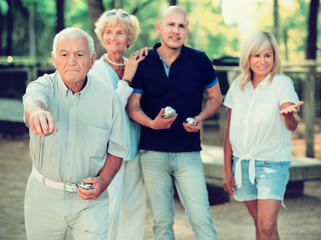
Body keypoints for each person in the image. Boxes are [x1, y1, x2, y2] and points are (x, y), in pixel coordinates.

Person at [23, 27, 128, 240]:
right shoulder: (43, 86)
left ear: (92, 59)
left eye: (79, 55)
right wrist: (37, 112)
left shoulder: (109, 98)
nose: (72, 61)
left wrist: (104, 180)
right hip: (43, 197)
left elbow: (117, 149)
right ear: (54, 59)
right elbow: (32, 100)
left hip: (90, 199)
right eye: (64, 54)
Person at [127, 6, 222, 240]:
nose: (175, 31)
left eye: (181, 26)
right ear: (160, 27)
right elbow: (132, 106)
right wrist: (151, 124)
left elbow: (215, 98)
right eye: (170, 24)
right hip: (152, 153)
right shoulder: (144, 61)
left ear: (187, 32)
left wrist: (200, 118)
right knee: (162, 224)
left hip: (188, 152)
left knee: (202, 219)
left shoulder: (199, 60)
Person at [223, 30, 304, 240]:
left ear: (275, 57)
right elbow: (229, 130)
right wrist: (227, 170)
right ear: (248, 57)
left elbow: (292, 124)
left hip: (273, 165)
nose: (262, 61)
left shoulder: (282, 84)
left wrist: (290, 115)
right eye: (256, 55)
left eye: (268, 55)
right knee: (259, 225)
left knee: (267, 225)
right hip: (242, 165)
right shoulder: (237, 87)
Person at [90, 9, 147, 240]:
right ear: (102, 36)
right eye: (108, 31)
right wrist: (127, 78)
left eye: (120, 32)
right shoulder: (96, 70)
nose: (113, 37)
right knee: (109, 211)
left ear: (129, 38)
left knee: (134, 210)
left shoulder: (134, 64)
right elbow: (110, 110)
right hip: (109, 152)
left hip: (134, 148)